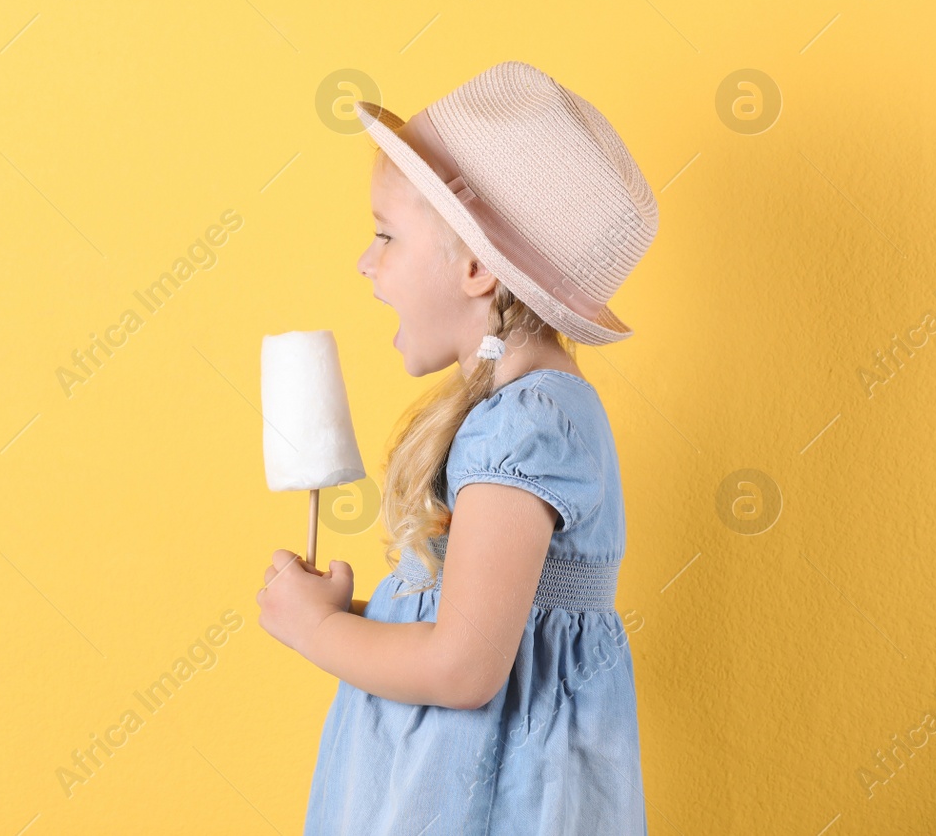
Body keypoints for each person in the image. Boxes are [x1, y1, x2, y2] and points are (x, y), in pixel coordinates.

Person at [257, 60, 658, 834]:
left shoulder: (530, 423)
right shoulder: (521, 414)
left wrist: (319, 630)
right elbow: (478, 620)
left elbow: (465, 667)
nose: (365, 263)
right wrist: (366, 615)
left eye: (385, 234)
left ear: (476, 267)